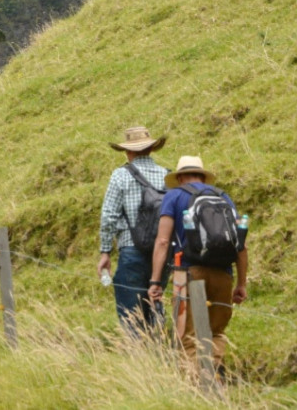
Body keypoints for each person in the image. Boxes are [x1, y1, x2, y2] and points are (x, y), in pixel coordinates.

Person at [148, 156, 247, 371]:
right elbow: (240, 244)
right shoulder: (223, 197)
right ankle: (215, 377)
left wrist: (155, 280)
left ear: (180, 176)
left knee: (188, 334)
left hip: (189, 272)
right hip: (223, 273)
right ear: (202, 176)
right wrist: (241, 284)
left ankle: (195, 389)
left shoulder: (174, 196)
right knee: (216, 332)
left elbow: (163, 240)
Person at [98, 126, 169, 332]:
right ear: (151, 149)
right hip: (161, 253)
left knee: (131, 314)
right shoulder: (167, 176)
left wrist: (105, 251)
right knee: (154, 305)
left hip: (131, 250)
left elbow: (108, 216)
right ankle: (159, 350)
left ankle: (138, 357)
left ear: (128, 151)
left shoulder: (121, 175)